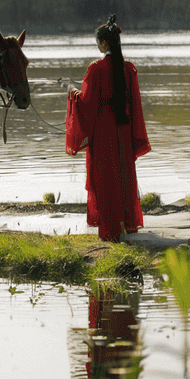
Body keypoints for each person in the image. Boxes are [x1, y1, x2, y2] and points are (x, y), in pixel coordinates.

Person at [65, 15, 150, 242]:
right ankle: (125, 224)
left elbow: (86, 104)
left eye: (98, 43)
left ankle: (110, 229)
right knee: (122, 177)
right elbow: (135, 106)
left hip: (103, 134)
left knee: (104, 179)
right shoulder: (129, 69)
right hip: (122, 132)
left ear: (104, 44)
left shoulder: (96, 69)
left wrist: (72, 93)